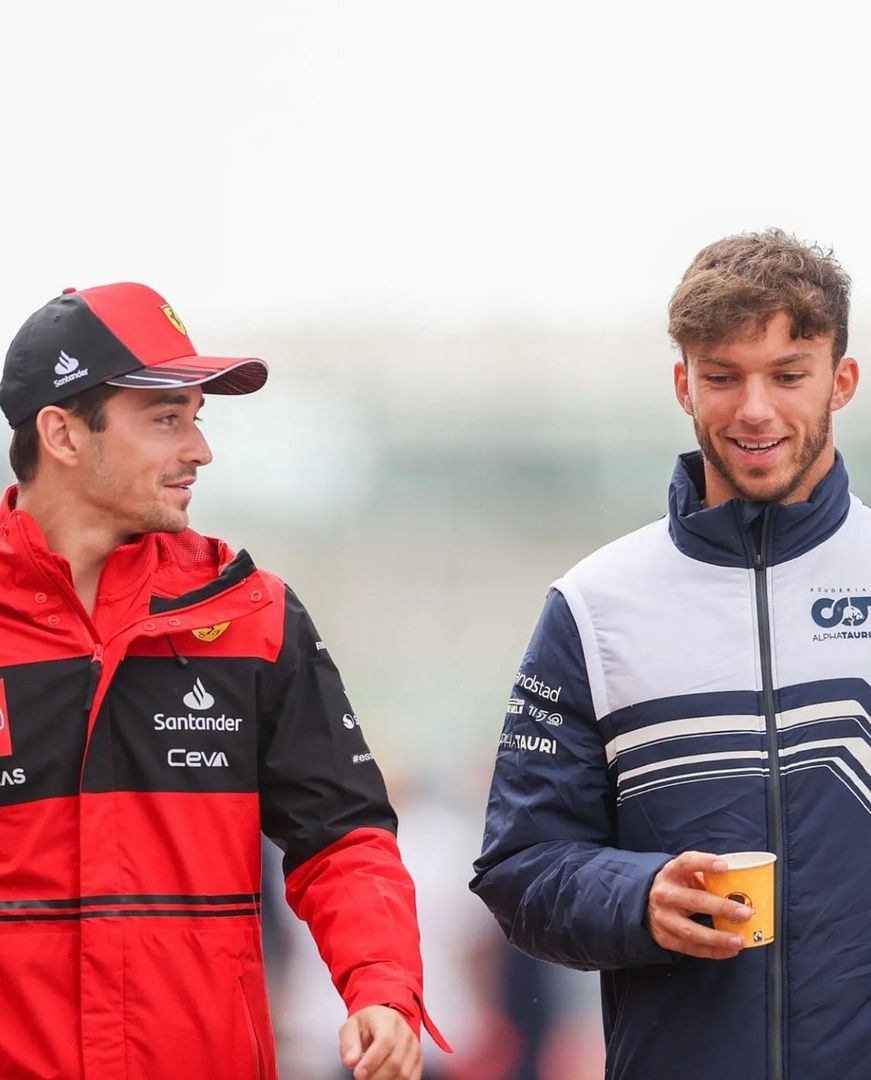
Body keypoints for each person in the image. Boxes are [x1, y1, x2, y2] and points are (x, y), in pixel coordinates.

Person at [0, 282, 449, 1080]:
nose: (200, 451)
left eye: (195, 419)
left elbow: (343, 839)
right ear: (62, 434)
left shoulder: (253, 614)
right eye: (166, 419)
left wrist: (381, 985)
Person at [470, 229, 869, 1080]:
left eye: (787, 375)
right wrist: (637, 897)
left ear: (841, 381)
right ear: (683, 383)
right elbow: (518, 867)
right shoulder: (593, 605)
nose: (753, 408)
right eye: (722, 376)